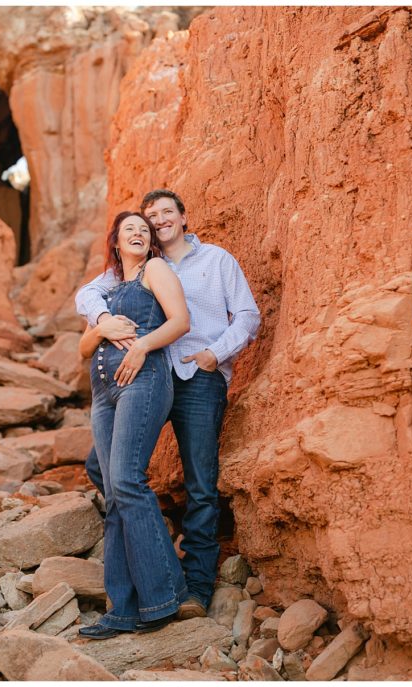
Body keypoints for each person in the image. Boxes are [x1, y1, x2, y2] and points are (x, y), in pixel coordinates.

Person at [77, 189, 260, 619]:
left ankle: (195, 586)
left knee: (199, 482)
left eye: (164, 213)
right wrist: (102, 321)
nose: (157, 221)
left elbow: (248, 315)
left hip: (197, 376)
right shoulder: (134, 268)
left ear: (182, 217)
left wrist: (216, 354)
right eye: (148, 216)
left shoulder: (216, 260)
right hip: (150, 375)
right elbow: (87, 296)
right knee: (100, 468)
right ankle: (154, 546)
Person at [77, 210, 191, 640]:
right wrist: (102, 327)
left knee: (126, 481)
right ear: (116, 241)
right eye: (131, 230)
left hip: (142, 380)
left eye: (145, 230)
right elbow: (83, 348)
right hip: (103, 393)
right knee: (115, 496)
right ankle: (121, 610)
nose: (140, 234)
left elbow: (181, 321)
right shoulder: (105, 289)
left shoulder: (156, 270)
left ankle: (163, 596)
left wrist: (141, 346)